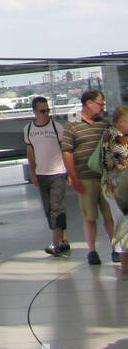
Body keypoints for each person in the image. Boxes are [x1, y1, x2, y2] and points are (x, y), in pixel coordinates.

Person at [62, 89, 117, 265]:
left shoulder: (104, 123)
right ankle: (92, 250)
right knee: (89, 215)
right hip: (85, 177)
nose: (102, 107)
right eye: (100, 103)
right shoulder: (72, 125)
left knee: (110, 215)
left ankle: (115, 247)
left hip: (105, 177)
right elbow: (67, 152)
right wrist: (73, 176)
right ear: (89, 103)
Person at [24, 96, 70, 256]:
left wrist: (69, 172)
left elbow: (65, 150)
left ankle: (55, 243)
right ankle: (63, 239)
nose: (46, 114)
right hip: (42, 173)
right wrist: (33, 173)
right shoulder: (29, 129)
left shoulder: (56, 127)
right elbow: (30, 152)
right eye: (42, 111)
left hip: (58, 172)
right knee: (49, 209)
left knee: (57, 208)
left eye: (47, 110)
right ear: (35, 112)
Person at [99, 105, 128, 278]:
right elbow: (121, 164)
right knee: (122, 224)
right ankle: (124, 266)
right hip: (118, 189)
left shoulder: (110, 133)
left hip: (115, 187)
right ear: (120, 121)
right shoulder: (116, 136)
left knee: (122, 224)